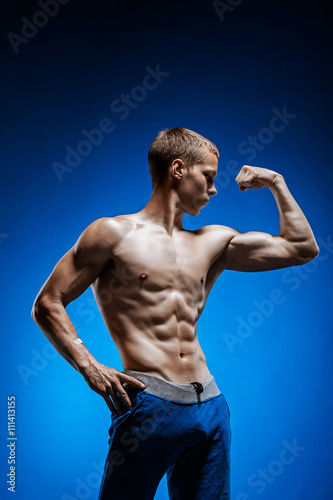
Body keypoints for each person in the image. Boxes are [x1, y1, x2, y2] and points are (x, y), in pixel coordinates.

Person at [31, 128, 319, 500]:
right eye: (209, 177)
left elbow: (302, 248)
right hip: (150, 402)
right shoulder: (112, 234)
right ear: (179, 169)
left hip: (210, 407)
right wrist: (89, 366)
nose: (214, 190)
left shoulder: (214, 241)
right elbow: (48, 302)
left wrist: (276, 183)